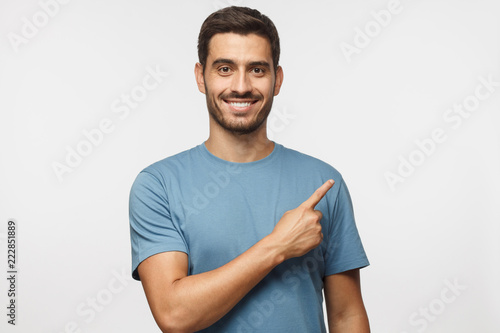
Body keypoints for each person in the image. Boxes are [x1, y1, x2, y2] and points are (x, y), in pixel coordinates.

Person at [129, 6, 370, 332]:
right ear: (201, 77)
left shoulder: (323, 183)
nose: (241, 86)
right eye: (225, 68)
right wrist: (277, 246)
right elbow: (174, 315)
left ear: (277, 79)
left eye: (257, 70)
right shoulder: (157, 185)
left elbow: (346, 316)